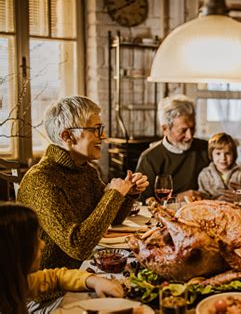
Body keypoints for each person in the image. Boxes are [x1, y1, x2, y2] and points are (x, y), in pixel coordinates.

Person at [17, 96, 148, 270]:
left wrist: (128, 193)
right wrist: (114, 194)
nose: (104, 136)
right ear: (67, 136)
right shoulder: (41, 180)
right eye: (96, 129)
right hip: (54, 287)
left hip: (87, 267)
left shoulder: (86, 171)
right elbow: (77, 246)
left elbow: (113, 218)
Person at [0, 202, 124, 314]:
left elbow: (56, 277)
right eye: (35, 240)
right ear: (15, 251)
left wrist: (94, 281)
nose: (43, 244)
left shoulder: (18, 280)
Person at [136, 94, 209, 202]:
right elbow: (143, 202)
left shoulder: (206, 149)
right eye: (183, 130)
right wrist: (177, 198)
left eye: (192, 128)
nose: (189, 136)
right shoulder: (149, 158)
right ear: (165, 129)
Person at [198, 132, 241, 203]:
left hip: (236, 211)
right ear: (211, 155)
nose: (223, 158)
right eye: (218, 153)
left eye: (227, 153)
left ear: (234, 155)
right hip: (212, 211)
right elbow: (201, 197)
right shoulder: (205, 175)